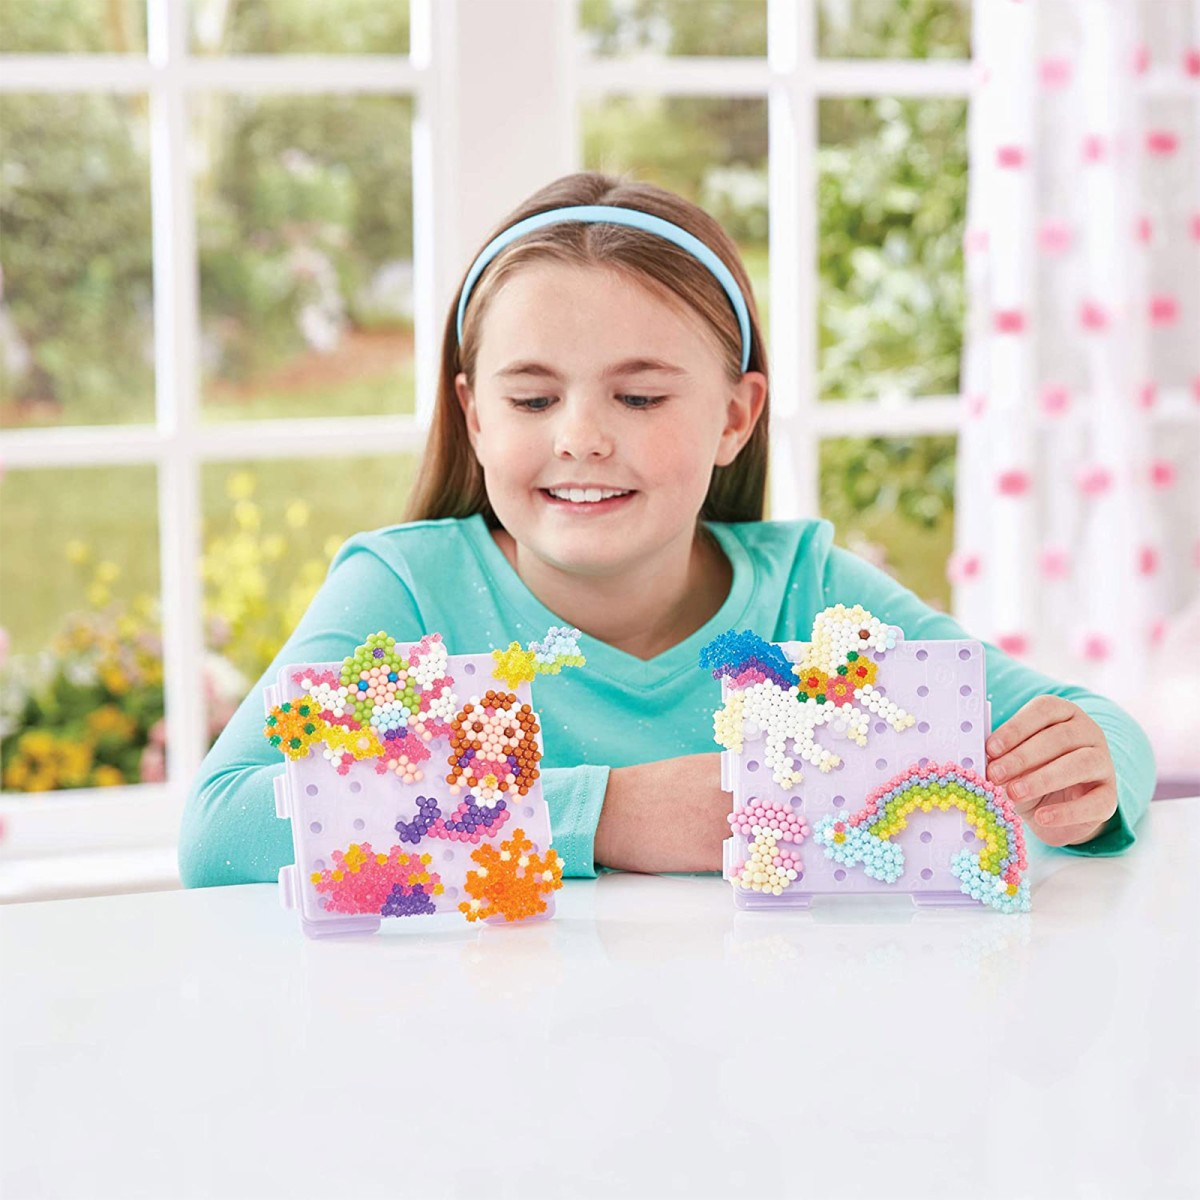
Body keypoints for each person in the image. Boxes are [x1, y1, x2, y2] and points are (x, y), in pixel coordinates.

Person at [178, 171, 1155, 889]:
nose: (581, 437)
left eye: (639, 396)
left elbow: (1090, 724)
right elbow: (224, 826)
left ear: (735, 417)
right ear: (475, 417)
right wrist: (610, 814)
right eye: (532, 399)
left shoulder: (809, 594)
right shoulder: (408, 594)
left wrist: (1091, 768)